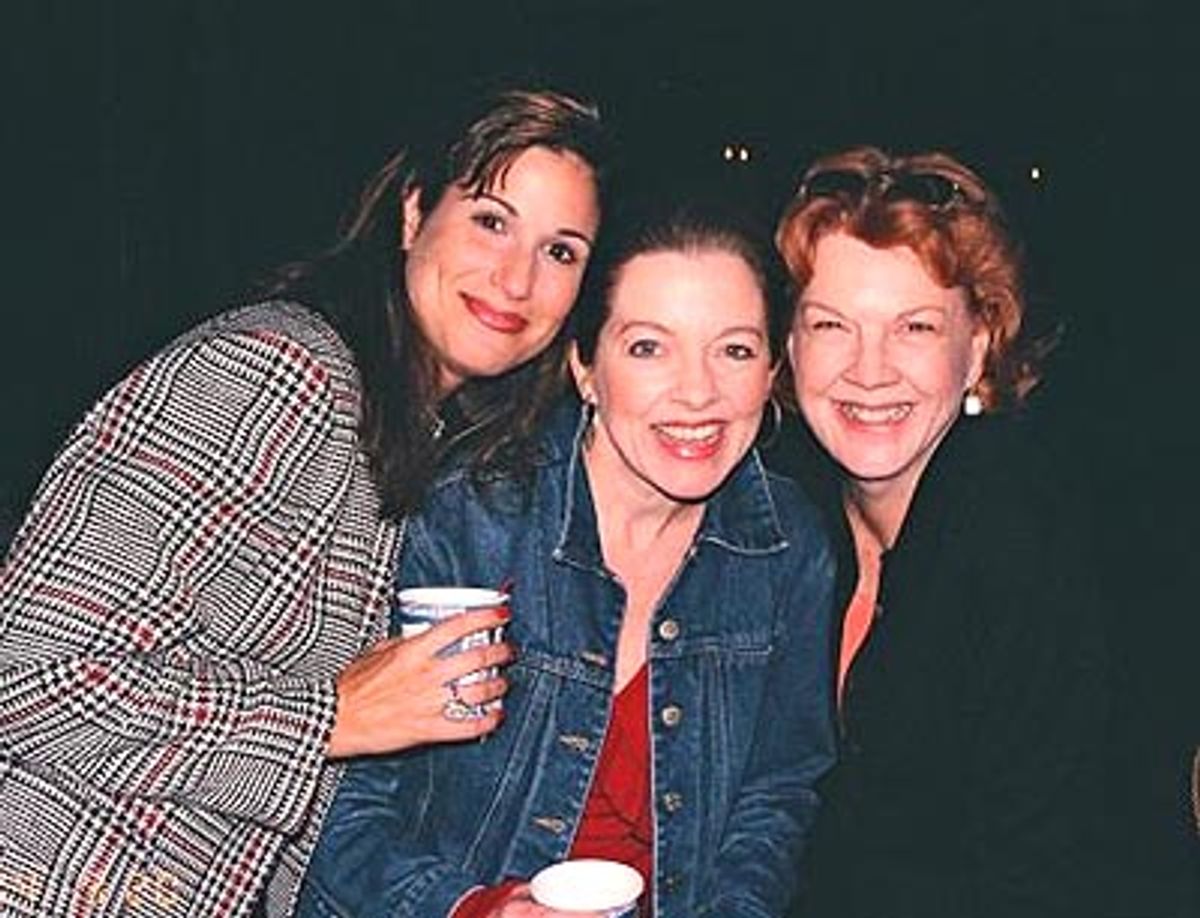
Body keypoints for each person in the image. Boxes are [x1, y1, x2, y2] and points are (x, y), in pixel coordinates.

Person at [0, 87, 606, 916]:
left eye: (561, 251)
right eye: (491, 221)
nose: (517, 277)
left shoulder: (422, 442)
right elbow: (30, 679)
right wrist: (333, 715)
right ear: (413, 213)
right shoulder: (278, 373)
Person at [297, 192, 838, 917]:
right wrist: (473, 909)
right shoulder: (468, 520)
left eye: (734, 349)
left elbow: (774, 800)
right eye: (648, 346)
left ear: (772, 370)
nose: (698, 392)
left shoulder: (788, 547)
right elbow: (335, 804)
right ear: (585, 366)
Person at [771, 146, 1109, 918]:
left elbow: (1041, 874)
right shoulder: (785, 519)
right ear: (789, 347)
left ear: (979, 347)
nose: (869, 370)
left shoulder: (1025, 548)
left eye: (915, 327)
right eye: (831, 325)